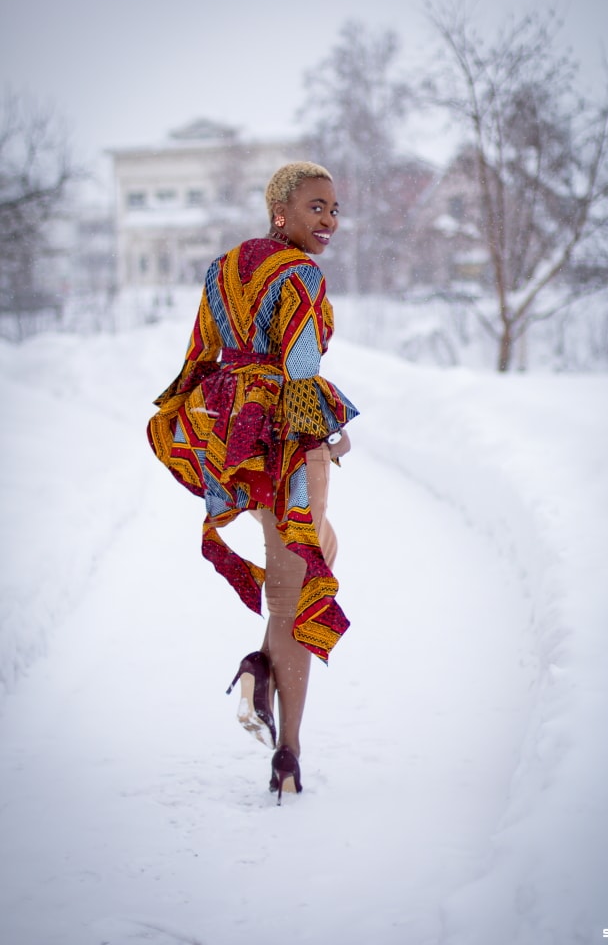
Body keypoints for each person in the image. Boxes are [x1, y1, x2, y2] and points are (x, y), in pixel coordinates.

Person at [148, 161, 359, 803]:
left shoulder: (223, 269)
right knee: (295, 584)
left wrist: (200, 420)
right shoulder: (300, 274)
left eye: (334, 209)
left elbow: (203, 351)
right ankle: (288, 753)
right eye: (315, 208)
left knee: (320, 549)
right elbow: (299, 366)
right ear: (281, 212)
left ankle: (258, 669)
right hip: (285, 442)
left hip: (237, 435)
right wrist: (325, 431)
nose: (328, 220)